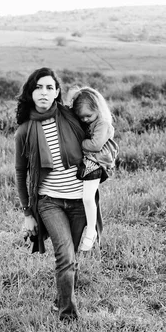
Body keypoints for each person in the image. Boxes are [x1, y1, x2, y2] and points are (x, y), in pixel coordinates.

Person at [14, 67, 103, 321]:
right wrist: (27, 213)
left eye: (49, 87)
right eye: (38, 87)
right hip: (49, 202)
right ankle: (67, 315)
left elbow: (97, 123)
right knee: (64, 253)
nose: (44, 92)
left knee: (72, 256)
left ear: (56, 93)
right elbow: (21, 174)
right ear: (31, 92)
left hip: (78, 201)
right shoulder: (24, 131)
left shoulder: (70, 117)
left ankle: (60, 299)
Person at [71, 87, 119, 251]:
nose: (85, 120)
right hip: (91, 163)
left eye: (88, 116)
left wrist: (77, 143)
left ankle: (91, 231)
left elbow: (95, 145)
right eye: (81, 117)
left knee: (88, 198)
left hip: (97, 164)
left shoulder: (103, 123)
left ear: (98, 109)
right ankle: (89, 231)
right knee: (85, 198)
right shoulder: (92, 121)